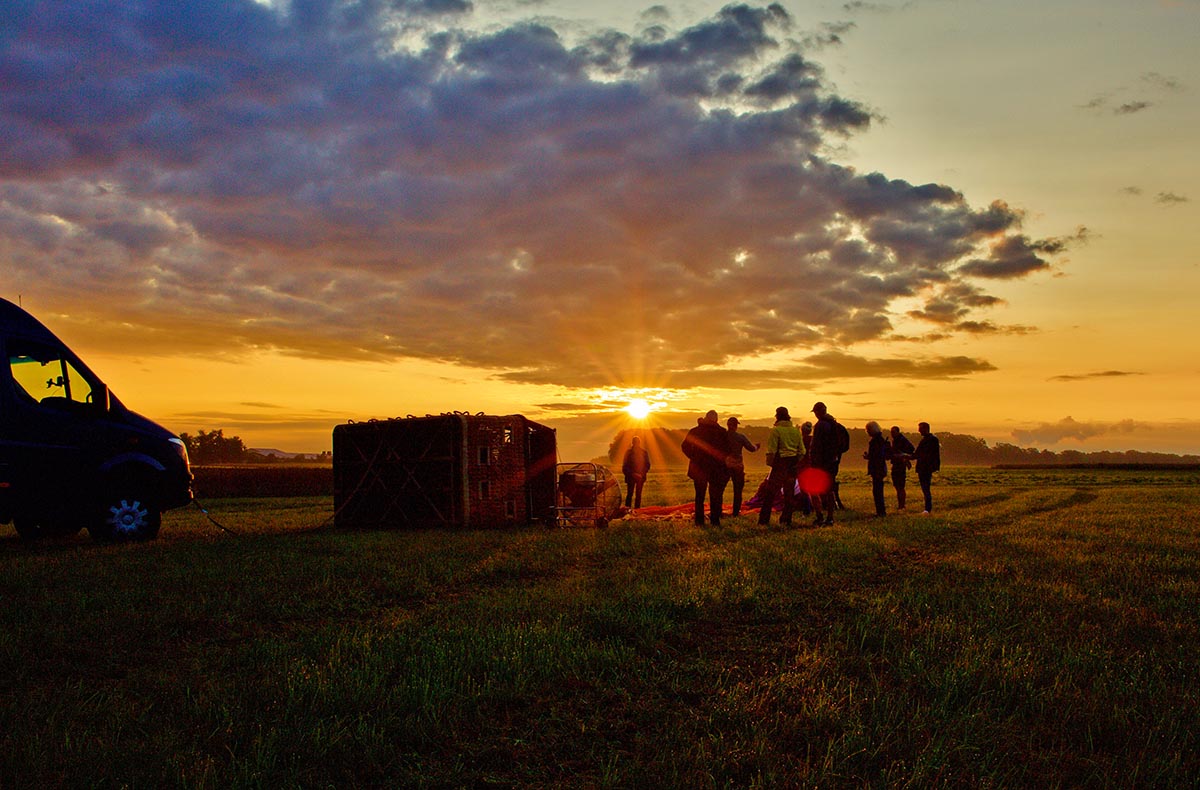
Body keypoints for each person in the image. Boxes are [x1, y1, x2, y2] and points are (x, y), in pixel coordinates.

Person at [681, 410, 733, 526]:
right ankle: (715, 520)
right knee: (715, 495)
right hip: (716, 468)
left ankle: (699, 521)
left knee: (699, 495)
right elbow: (728, 450)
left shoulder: (695, 431)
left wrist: (693, 457)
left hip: (699, 467)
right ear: (716, 420)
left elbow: (684, 446)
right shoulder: (722, 432)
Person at [757, 407, 802, 527]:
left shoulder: (776, 431)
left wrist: (772, 464)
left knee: (770, 494)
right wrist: (795, 461)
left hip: (780, 463)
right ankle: (786, 520)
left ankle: (764, 520)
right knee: (789, 494)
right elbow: (802, 451)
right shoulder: (796, 431)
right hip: (792, 465)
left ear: (777, 417)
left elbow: (771, 450)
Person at [809, 401, 844, 526]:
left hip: (820, 463)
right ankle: (830, 517)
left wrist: (813, 461)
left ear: (818, 412)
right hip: (832, 462)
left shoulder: (820, 425)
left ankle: (819, 516)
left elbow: (816, 446)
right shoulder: (834, 424)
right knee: (829, 491)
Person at [725, 416, 760, 517]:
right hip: (738, 466)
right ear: (736, 426)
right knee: (738, 490)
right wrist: (757, 446)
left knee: (719, 490)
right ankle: (736, 512)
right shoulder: (741, 437)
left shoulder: (722, 436)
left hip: (724, 465)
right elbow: (751, 449)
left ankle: (717, 509)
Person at [863, 421, 890, 517]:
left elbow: (876, 456)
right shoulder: (880, 439)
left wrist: (868, 457)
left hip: (877, 468)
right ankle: (880, 511)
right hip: (880, 468)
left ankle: (881, 512)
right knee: (878, 490)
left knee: (877, 491)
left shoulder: (875, 441)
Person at [913, 421, 941, 514]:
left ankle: (927, 508)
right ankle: (927, 508)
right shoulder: (930, 439)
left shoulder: (929, 440)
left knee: (925, 488)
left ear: (925, 429)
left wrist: (908, 456)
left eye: (920, 429)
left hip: (925, 467)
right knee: (925, 488)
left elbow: (920, 454)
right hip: (925, 467)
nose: (919, 431)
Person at [888, 425, 915, 510]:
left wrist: (903, 455)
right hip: (896, 464)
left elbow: (911, 448)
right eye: (891, 432)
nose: (892, 434)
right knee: (897, 486)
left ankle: (902, 505)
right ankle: (901, 505)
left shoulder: (902, 440)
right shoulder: (896, 440)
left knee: (900, 486)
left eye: (893, 432)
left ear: (898, 432)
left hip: (900, 465)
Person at [621, 436, 651, 509]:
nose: (636, 444)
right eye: (635, 442)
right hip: (631, 477)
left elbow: (647, 465)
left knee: (638, 495)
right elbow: (624, 466)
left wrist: (641, 474)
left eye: (637, 442)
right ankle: (627, 509)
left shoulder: (644, 453)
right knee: (630, 494)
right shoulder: (628, 453)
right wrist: (633, 474)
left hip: (640, 477)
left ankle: (637, 510)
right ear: (633, 443)